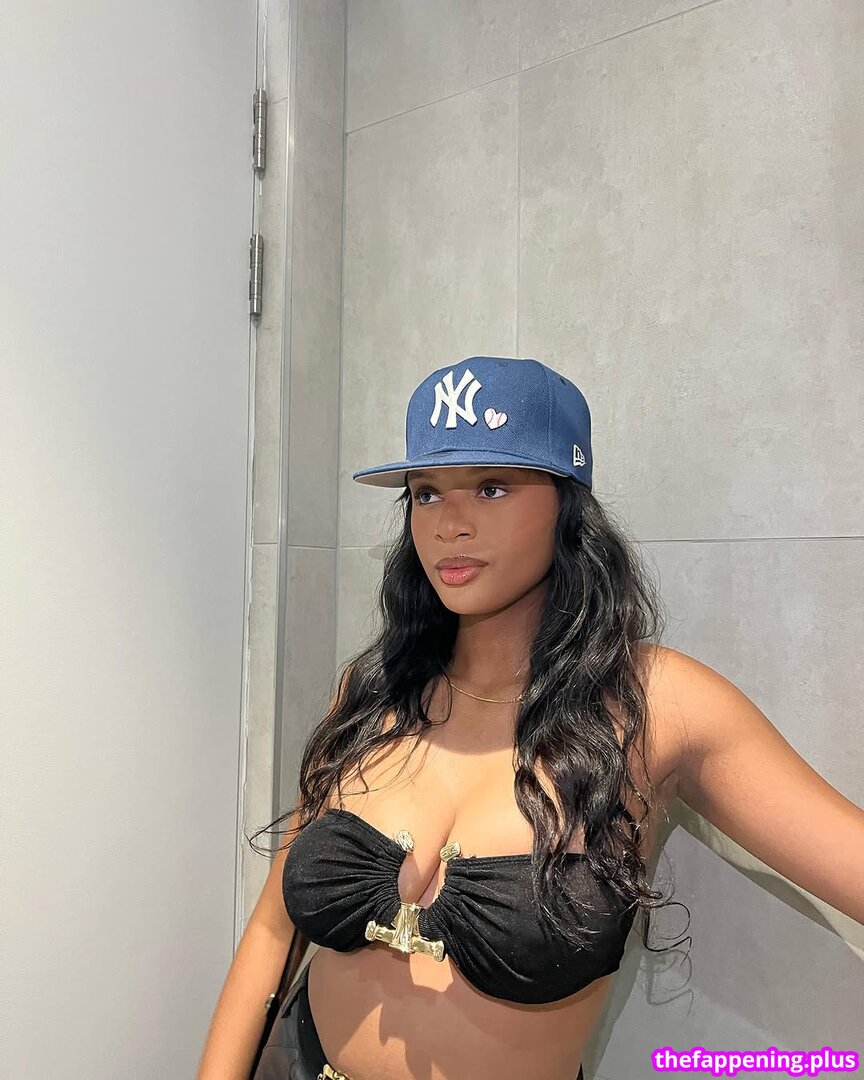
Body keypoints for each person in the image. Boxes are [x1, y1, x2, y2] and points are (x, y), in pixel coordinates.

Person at [197, 356, 864, 1080]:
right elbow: (273, 933)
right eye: (426, 493)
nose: (449, 524)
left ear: (567, 506)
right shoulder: (375, 687)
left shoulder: (657, 705)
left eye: (492, 487)